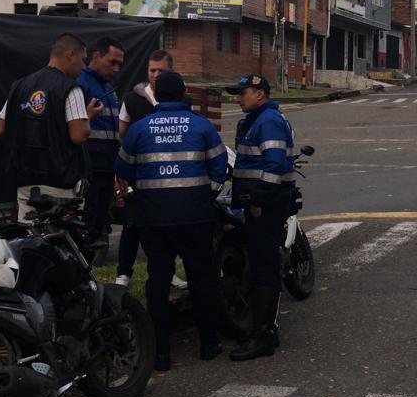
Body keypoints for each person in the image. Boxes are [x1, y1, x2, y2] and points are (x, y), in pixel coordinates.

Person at [114, 71, 227, 372]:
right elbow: (219, 166)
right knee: (202, 278)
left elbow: (122, 167)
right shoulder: (202, 125)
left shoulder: (139, 129)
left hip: (154, 219)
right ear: (183, 94)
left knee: (158, 281)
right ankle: (209, 343)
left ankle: (161, 354)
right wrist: (209, 194)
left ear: (158, 96)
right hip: (195, 216)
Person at [225, 73, 297, 362]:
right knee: (258, 264)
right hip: (260, 204)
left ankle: (263, 336)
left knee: (264, 267)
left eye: (244, 92)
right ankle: (261, 329)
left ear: (260, 94)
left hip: (266, 205)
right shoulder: (257, 119)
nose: (239, 97)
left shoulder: (268, 121)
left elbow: (275, 165)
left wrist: (257, 201)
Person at [0, 33, 99, 220]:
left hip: (26, 184)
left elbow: (0, 129)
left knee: (32, 242)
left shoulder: (19, 87)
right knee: (61, 241)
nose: (83, 67)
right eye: (82, 60)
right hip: (60, 185)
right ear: (70, 55)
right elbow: (79, 135)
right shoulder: (70, 88)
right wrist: (88, 116)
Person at [114, 50, 187, 290]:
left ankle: (169, 272)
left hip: (172, 176)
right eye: (152, 70)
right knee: (132, 223)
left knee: (170, 226)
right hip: (140, 175)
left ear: (171, 71)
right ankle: (123, 273)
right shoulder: (132, 98)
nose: (155, 75)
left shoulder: (182, 100)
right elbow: (123, 135)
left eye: (161, 71)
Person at [76, 37, 124, 254]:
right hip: (88, 167)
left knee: (99, 223)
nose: (116, 69)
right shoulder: (81, 83)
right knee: (85, 222)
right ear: (96, 56)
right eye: (111, 62)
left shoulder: (109, 88)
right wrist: (87, 116)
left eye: (119, 65)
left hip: (107, 167)